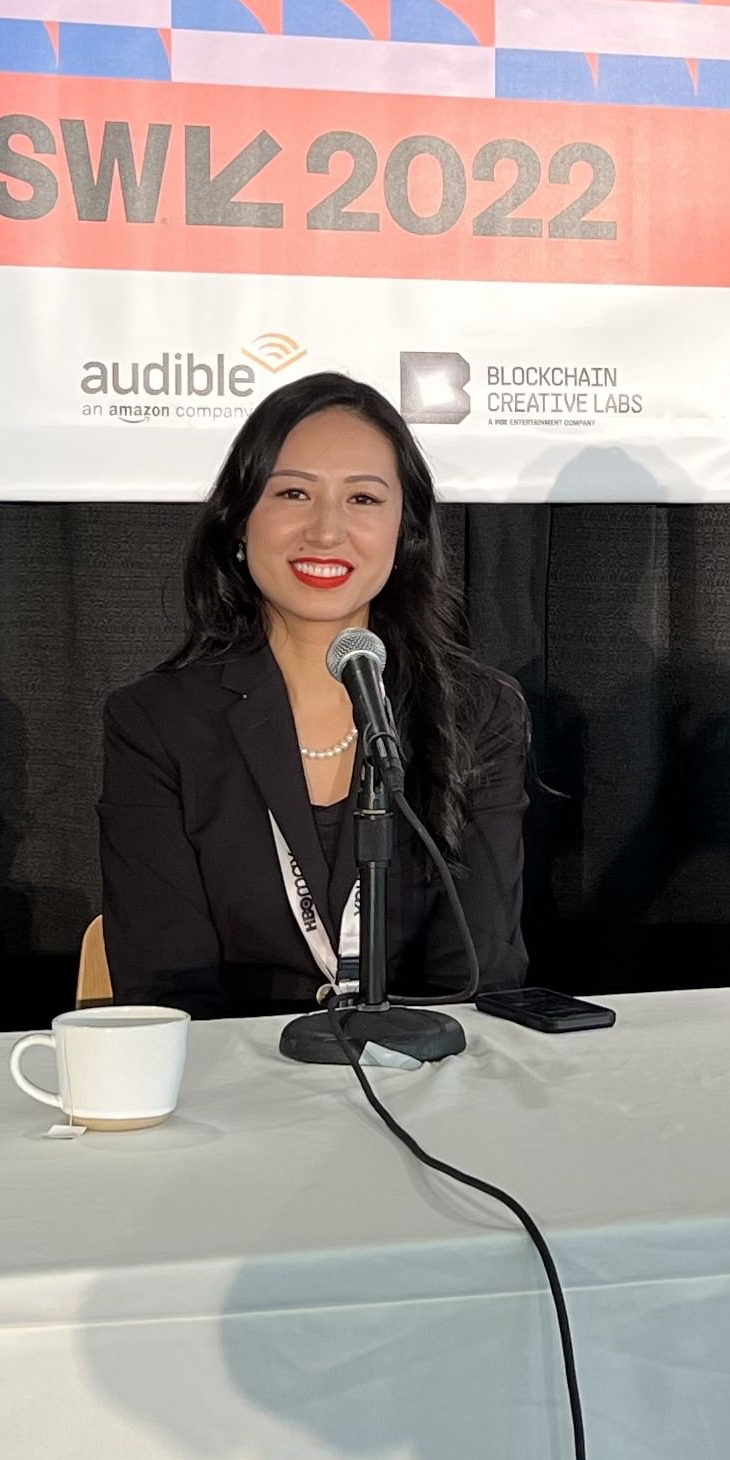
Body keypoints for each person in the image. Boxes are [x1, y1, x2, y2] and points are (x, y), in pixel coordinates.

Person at [99, 373, 531, 1016]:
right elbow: (165, 989)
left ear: (404, 533)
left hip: (428, 1080)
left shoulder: (478, 713)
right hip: (236, 1084)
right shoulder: (157, 721)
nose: (326, 532)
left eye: (363, 499)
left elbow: (482, 970)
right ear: (240, 523)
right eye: (294, 492)